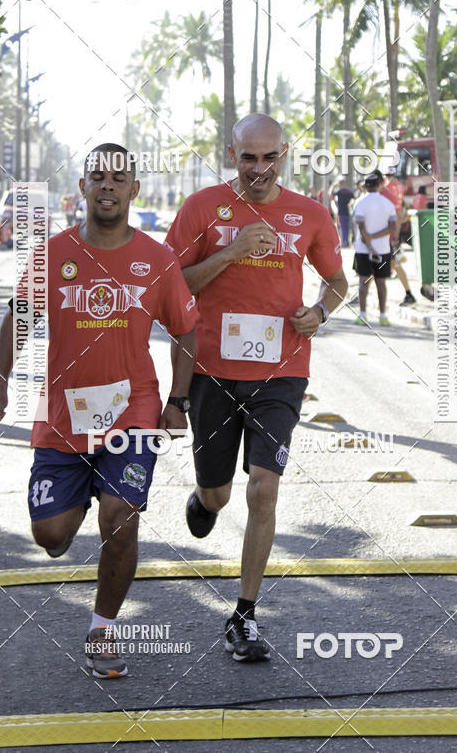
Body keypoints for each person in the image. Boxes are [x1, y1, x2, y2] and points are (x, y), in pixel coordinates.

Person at [0, 143, 198, 679]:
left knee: (119, 520)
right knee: (52, 537)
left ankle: (103, 629)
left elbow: (187, 330)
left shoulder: (157, 258)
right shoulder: (52, 255)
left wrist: (176, 401)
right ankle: (74, 506)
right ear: (82, 187)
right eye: (97, 176)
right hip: (63, 416)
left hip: (134, 410)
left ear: (133, 191)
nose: (107, 186)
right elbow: (18, 319)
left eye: (118, 178)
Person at [165, 113, 347, 663]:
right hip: (212, 371)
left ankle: (244, 615)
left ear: (285, 154)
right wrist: (232, 251)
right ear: (231, 154)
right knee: (220, 492)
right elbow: (169, 285)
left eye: (271, 157)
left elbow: (337, 280)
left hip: (282, 372)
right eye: (249, 157)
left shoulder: (310, 214)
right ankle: (204, 498)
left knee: (263, 488)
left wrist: (319, 310)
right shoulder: (202, 208)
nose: (260, 168)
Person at [352, 169, 397, 325]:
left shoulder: (359, 203)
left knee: (363, 281)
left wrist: (369, 242)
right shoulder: (389, 204)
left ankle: (363, 314)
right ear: (379, 185)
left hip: (363, 250)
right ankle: (382, 315)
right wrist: (376, 238)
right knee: (381, 282)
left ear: (365, 186)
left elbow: (361, 228)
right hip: (383, 249)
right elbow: (392, 227)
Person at [381, 167, 415, 306]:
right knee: (393, 265)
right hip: (393, 233)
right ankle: (409, 294)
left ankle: (409, 294)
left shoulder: (385, 190)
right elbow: (400, 213)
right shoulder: (400, 188)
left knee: (377, 265)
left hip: (387, 235)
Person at [331, 178, 354, 247]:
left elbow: (331, 194)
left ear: (339, 184)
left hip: (341, 212)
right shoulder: (348, 191)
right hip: (347, 212)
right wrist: (350, 204)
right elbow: (354, 197)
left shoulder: (339, 191)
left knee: (342, 228)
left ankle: (344, 242)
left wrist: (332, 186)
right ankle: (346, 242)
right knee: (346, 228)